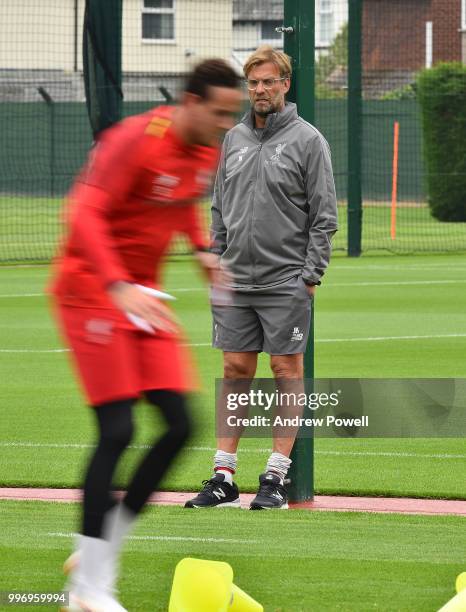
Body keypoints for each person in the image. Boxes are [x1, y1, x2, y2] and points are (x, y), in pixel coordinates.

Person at [50, 59, 242, 611]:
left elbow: (180, 204)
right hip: (90, 288)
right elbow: (82, 214)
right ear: (189, 102)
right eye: (221, 113)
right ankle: (87, 590)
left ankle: (99, 548)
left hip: (143, 297)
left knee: (181, 425)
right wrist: (115, 284)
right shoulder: (131, 141)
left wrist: (202, 249)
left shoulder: (206, 148)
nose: (228, 124)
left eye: (234, 115)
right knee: (117, 429)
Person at [185, 46, 338, 511]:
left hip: (286, 281)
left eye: (269, 82)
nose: (260, 91)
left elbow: (324, 216)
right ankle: (223, 477)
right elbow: (219, 208)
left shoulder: (309, 141)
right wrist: (216, 256)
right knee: (235, 372)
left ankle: (275, 477)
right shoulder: (231, 139)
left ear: (285, 84)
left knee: (285, 371)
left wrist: (309, 276)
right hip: (234, 282)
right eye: (253, 83)